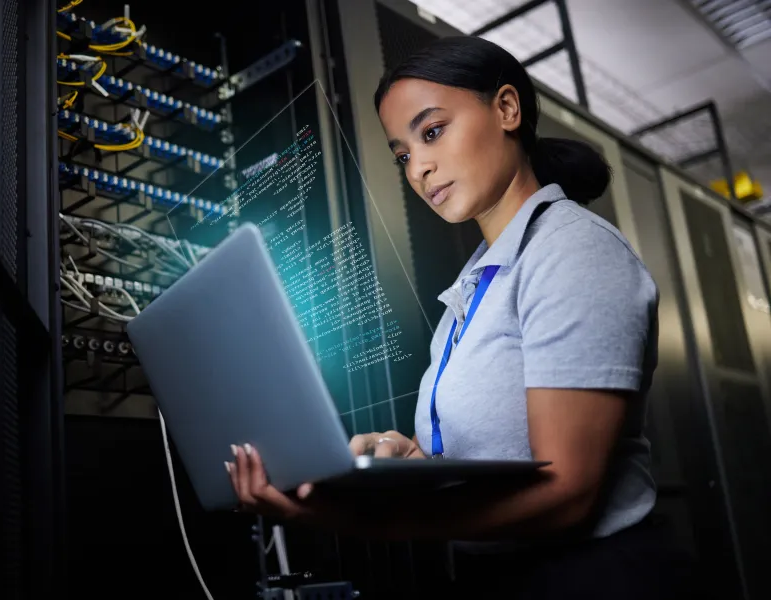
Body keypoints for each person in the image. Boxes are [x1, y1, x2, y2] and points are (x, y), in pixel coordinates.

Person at [224, 36, 695, 598]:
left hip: (593, 578)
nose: (418, 168)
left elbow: (567, 492)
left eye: (432, 131)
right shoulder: (477, 283)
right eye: (402, 154)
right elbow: (500, 449)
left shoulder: (573, 251)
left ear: (506, 109)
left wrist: (359, 521)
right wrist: (412, 456)